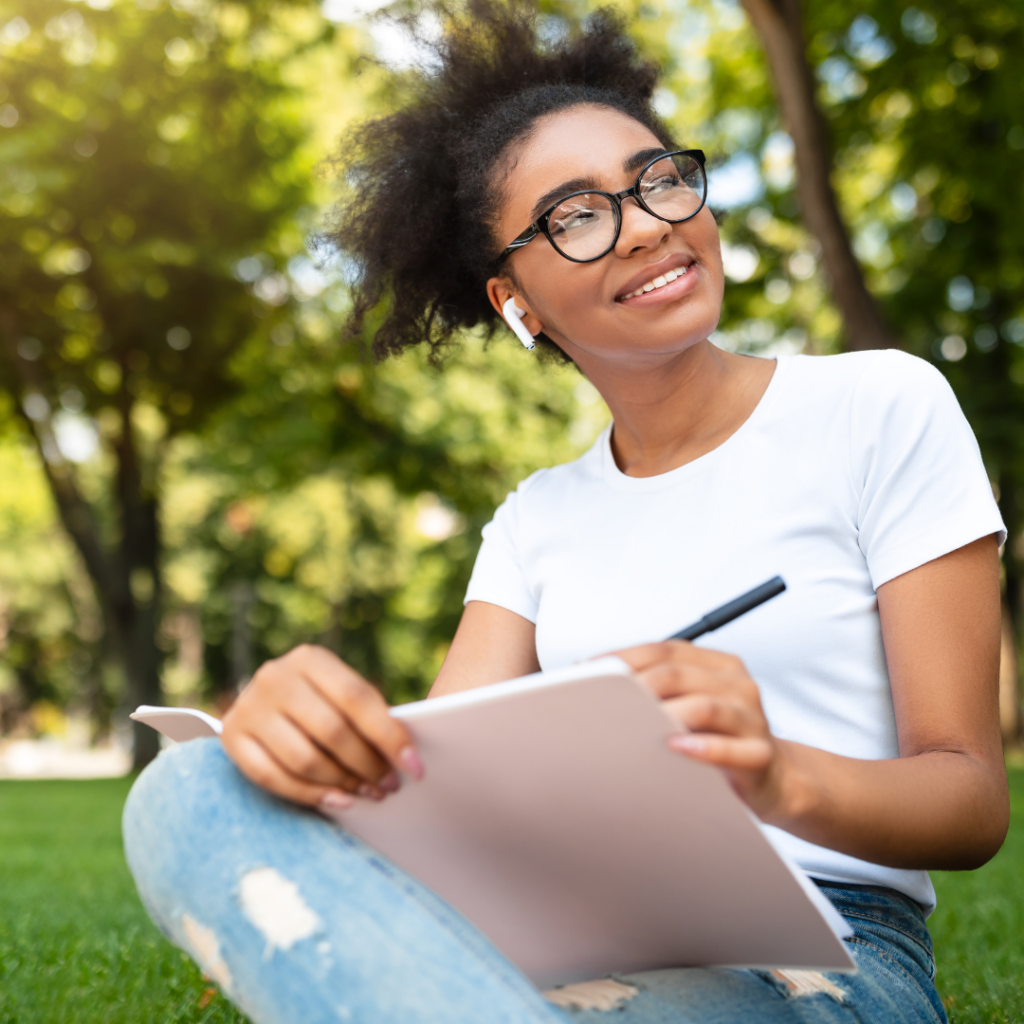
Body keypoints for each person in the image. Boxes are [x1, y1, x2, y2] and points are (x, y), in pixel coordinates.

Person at [122, 4, 1009, 1022]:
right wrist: (290, 739)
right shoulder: (533, 520)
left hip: (827, 957)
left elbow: (969, 798)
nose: (648, 225)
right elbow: (423, 802)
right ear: (516, 302)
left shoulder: (880, 404)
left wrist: (777, 776)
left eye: (658, 180)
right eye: (577, 217)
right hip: (569, 943)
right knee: (186, 793)